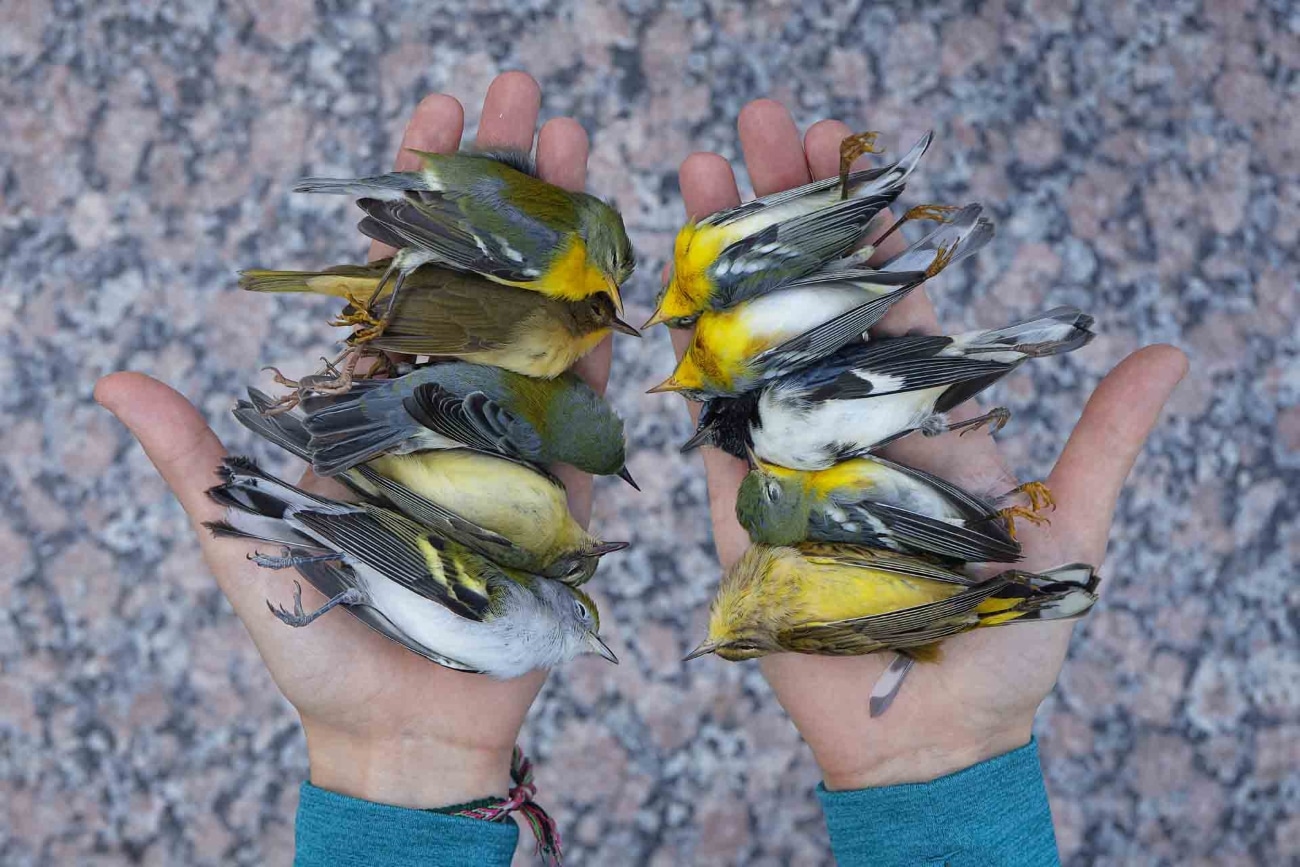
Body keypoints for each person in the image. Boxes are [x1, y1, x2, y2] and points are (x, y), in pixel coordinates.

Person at [94, 72, 1188, 866]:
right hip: (526, 451)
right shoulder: (539, 558)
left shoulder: (537, 569)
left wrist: (396, 791)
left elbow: (440, 524)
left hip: (499, 462)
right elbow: (448, 520)